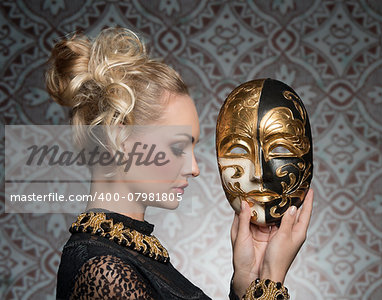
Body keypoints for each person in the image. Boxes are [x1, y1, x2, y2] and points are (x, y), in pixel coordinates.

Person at [48, 27, 313, 299]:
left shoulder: (127, 255)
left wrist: (247, 280)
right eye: (177, 147)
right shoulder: (105, 272)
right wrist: (271, 282)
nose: (194, 168)